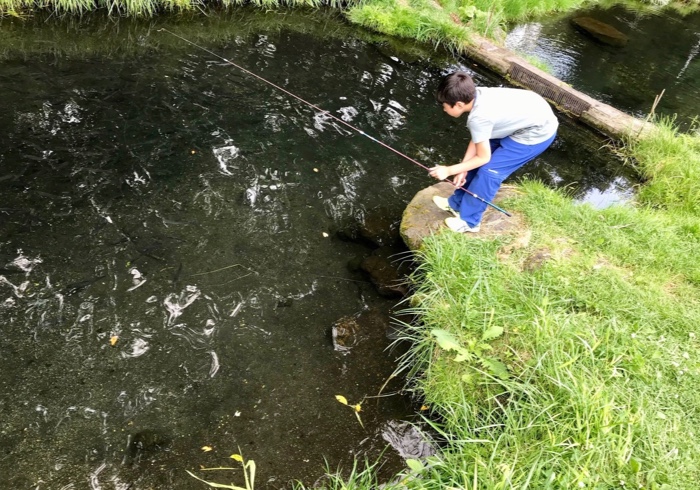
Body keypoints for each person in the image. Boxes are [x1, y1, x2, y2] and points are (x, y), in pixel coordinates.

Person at [428, 71, 558, 233]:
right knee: (473, 163)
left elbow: (483, 157)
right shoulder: (476, 96)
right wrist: (463, 168)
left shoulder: (479, 117)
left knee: (489, 172)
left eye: (445, 106)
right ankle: (457, 204)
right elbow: (478, 139)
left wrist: (449, 170)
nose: (444, 109)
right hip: (521, 123)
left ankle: (470, 222)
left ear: (459, 104)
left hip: (536, 133)